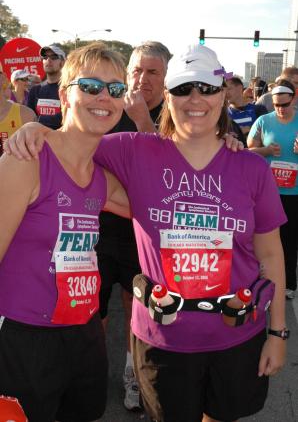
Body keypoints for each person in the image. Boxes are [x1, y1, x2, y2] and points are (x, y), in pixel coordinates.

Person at [7, 43, 287, 422]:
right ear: (167, 98)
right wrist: (34, 128)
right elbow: (75, 145)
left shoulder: (247, 167)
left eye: (207, 88)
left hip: (218, 334)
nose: (195, 99)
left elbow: (267, 253)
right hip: (95, 337)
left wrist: (277, 333)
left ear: (223, 95)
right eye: (183, 89)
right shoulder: (102, 152)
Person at [0, 42, 130, 422]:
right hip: (24, 337)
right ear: (63, 94)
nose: (103, 96)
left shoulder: (101, 179)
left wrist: (228, 146)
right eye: (90, 86)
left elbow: (159, 207)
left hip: (84, 332)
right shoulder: (26, 159)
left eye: (115, 89)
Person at [96, 40, 171, 411]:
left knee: (134, 302)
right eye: (137, 70)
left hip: (143, 235)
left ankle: (131, 372)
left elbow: (172, 171)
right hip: (97, 226)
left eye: (152, 72)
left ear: (166, 77)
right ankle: (94, 371)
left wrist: (143, 120)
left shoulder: (176, 114)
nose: (142, 79)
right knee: (92, 306)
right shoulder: (109, 106)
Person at [247, 79, 298, 300]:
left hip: (294, 192)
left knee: (290, 239)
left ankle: (289, 284)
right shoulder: (263, 121)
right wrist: (266, 150)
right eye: (276, 104)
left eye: (284, 105)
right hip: (267, 190)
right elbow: (250, 148)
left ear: (293, 99)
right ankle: (262, 280)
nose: (279, 109)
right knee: (261, 238)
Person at [0, 63, 37, 156]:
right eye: (23, 79)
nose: (26, 81)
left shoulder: (26, 115)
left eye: (26, 79)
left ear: (2, 78)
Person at [27, 44, 66, 129]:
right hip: (38, 139)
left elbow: (69, 117)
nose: (48, 60)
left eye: (54, 57)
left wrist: (39, 120)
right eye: (45, 57)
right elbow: (28, 117)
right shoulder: (35, 90)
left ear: (63, 63)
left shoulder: (69, 89)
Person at [226, 76, 267, 145]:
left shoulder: (259, 109)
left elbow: (268, 133)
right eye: (223, 90)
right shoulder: (222, 114)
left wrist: (251, 130)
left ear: (240, 88)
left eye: (229, 89)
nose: (226, 93)